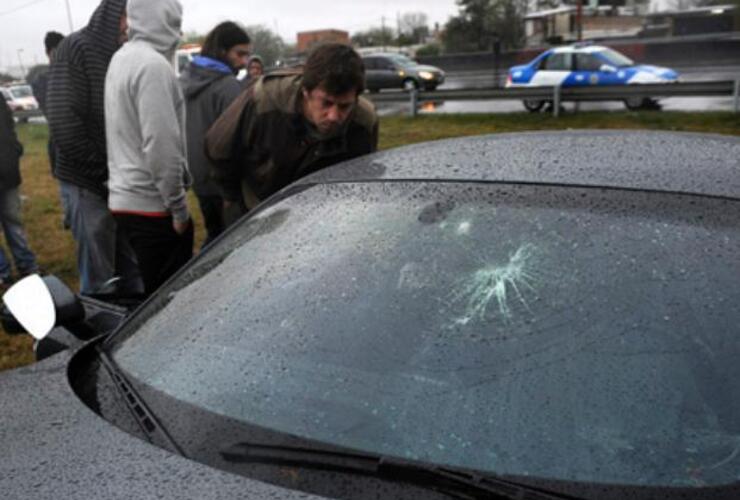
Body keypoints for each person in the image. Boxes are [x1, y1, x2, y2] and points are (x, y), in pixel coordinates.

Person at [205, 43, 378, 224]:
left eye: (344, 106)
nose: (334, 116)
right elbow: (218, 149)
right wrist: (234, 201)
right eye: (326, 103)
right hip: (257, 212)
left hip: (324, 218)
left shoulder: (364, 122)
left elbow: (362, 178)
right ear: (306, 92)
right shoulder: (263, 100)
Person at [46, 0, 143, 298]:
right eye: (127, 15)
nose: (131, 24)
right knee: (99, 270)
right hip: (87, 181)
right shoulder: (75, 49)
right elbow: (64, 122)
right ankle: (98, 324)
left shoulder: (126, 55)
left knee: (130, 262)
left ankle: (134, 320)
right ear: (112, 13)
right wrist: (101, 173)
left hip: (121, 178)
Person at [105, 0, 193, 296]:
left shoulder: (120, 58)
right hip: (153, 205)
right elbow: (160, 144)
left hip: (124, 200)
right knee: (169, 300)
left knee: (147, 293)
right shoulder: (153, 66)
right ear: (167, 19)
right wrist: (179, 209)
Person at [179, 21, 250, 247]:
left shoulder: (184, 80)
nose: (244, 62)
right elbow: (237, 138)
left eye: (247, 55)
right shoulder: (228, 86)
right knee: (232, 245)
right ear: (222, 51)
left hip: (197, 176)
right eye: (240, 54)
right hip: (224, 181)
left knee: (214, 235)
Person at [30, 31, 68, 228]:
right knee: (64, 181)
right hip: (59, 142)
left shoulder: (72, 72)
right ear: (49, 53)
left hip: (73, 141)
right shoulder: (43, 80)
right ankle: (68, 214)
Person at [0, 98, 39, 286]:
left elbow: (8, 125)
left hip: (6, 172)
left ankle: (27, 266)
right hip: (7, 168)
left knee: (13, 222)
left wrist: (14, 150)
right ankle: (3, 272)